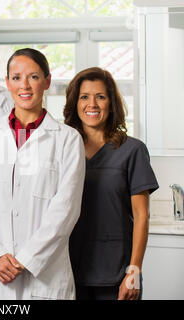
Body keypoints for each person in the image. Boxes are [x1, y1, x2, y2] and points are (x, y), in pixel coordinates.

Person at [0, 48, 85, 300]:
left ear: (47, 81)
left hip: (45, 277)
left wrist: (26, 260)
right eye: (16, 77)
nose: (24, 85)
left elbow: (66, 210)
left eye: (34, 77)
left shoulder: (68, 140)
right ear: (7, 83)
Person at [64, 67, 159, 300]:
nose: (92, 104)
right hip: (69, 271)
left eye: (101, 97)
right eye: (84, 97)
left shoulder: (132, 150)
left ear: (111, 103)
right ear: (75, 103)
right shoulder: (64, 148)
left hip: (118, 274)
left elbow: (142, 216)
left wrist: (134, 272)